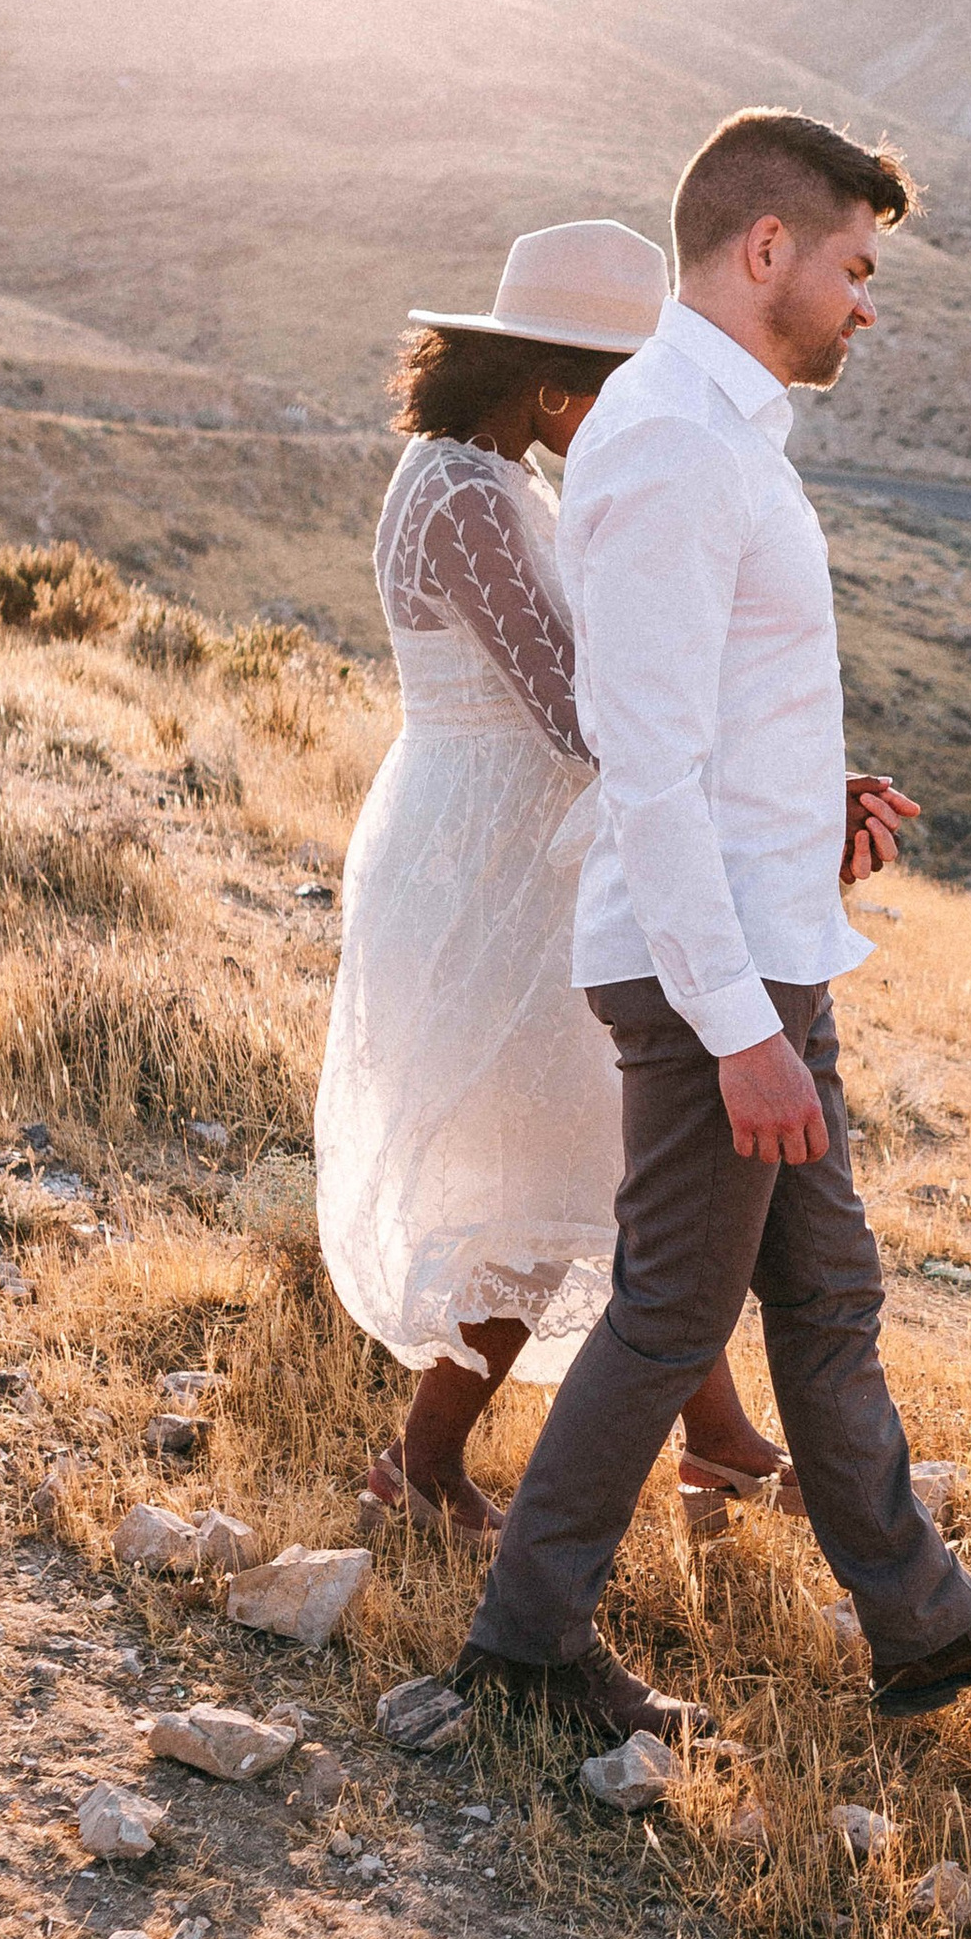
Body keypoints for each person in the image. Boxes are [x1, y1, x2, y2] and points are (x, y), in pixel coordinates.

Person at [386, 107, 971, 1753]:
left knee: (825, 1295)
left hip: (765, 947)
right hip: (703, 975)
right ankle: (519, 1651)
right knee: (667, 1312)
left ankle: (924, 1628)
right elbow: (642, 755)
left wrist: (816, 821)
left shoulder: (727, 437)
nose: (872, 304)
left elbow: (713, 724)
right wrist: (737, 1027)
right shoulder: (663, 440)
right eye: (859, 269)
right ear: (767, 249)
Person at [314, 219, 789, 1540]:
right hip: (496, 867)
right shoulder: (468, 495)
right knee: (549, 1162)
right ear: (548, 385)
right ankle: (422, 1466)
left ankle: (724, 1439)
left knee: (625, 1145)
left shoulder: (482, 475)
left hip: (519, 845)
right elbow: (578, 715)